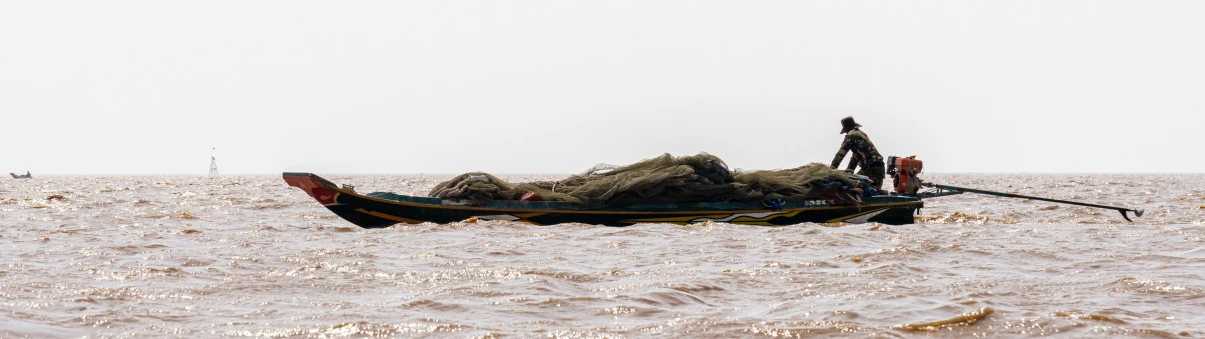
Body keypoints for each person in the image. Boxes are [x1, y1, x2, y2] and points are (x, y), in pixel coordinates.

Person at [831, 116, 885, 191]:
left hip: (871, 169)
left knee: (852, 185)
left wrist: (831, 170)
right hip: (880, 168)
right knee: (873, 190)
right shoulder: (862, 134)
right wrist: (848, 173)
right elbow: (854, 159)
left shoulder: (851, 135)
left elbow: (840, 155)